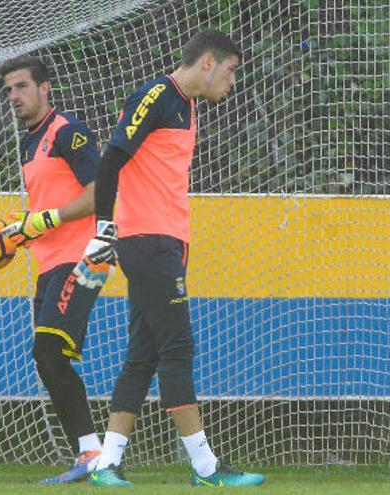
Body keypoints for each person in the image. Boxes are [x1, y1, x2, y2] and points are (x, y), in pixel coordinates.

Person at [72, 30, 265, 487]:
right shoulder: (157, 95)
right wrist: (104, 228)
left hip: (166, 243)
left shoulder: (188, 105)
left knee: (143, 353)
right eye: (232, 70)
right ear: (208, 62)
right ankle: (206, 467)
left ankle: (107, 463)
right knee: (178, 348)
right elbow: (112, 158)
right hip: (147, 242)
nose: (233, 81)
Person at [0, 55, 109, 484]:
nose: (14, 96)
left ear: (46, 88)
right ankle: (92, 453)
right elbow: (44, 212)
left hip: (86, 255)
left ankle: (97, 453)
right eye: (9, 90)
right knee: (49, 360)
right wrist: (13, 238)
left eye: (22, 86)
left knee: (47, 351)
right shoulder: (29, 142)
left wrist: (46, 220)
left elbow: (100, 193)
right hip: (51, 261)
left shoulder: (70, 133)